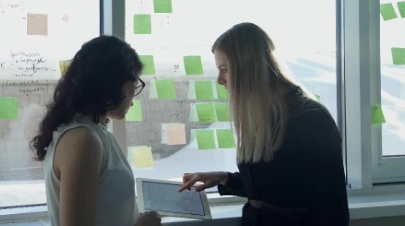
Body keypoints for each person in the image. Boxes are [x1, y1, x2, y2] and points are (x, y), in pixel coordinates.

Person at [178, 23, 349, 226]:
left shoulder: (311, 119)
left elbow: (331, 206)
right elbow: (274, 188)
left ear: (247, 67)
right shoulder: (265, 115)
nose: (219, 80)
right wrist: (224, 178)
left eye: (224, 69)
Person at [31, 35, 162, 226]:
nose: (134, 95)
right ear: (116, 84)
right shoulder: (83, 140)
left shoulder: (93, 132)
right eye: (135, 83)